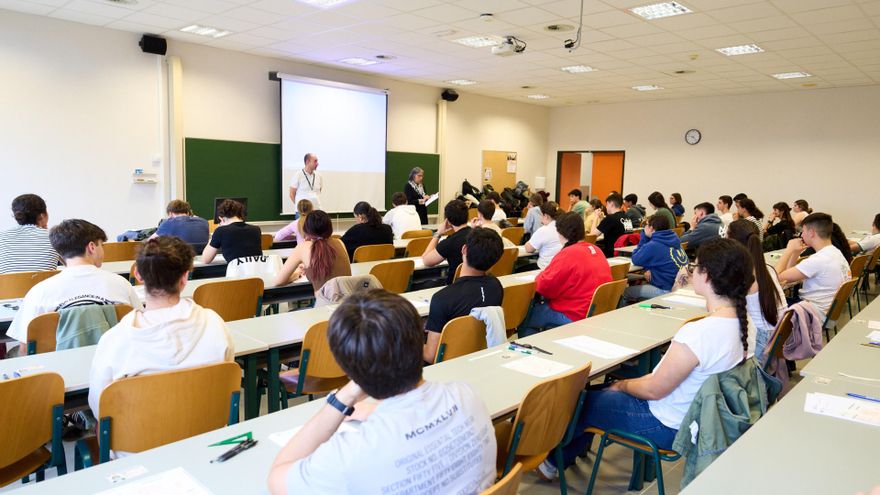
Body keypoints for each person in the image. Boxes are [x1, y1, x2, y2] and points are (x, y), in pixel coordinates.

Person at [538, 238, 754, 480]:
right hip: (695, 419)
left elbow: (654, 389)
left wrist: (622, 385)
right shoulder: (744, 324)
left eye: (695, 267)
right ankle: (566, 454)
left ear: (707, 276)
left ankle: (552, 462)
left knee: (580, 402)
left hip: (666, 424)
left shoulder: (700, 332)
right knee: (597, 395)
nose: (691, 271)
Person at [267, 289, 496, 494]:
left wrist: (344, 396)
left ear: (348, 370)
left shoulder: (348, 459)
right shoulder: (467, 396)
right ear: (420, 339)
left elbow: (276, 478)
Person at [88, 237, 234, 418]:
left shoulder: (115, 340)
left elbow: (99, 407)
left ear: (138, 275)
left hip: (138, 435)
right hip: (207, 430)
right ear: (185, 277)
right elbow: (227, 382)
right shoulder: (215, 324)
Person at [6, 219, 141, 352]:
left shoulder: (39, 292)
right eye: (102, 245)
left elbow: (25, 348)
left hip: (56, 365)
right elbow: (140, 326)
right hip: (113, 360)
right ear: (92, 247)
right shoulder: (121, 284)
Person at [518, 212, 612, 337]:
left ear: (562, 233)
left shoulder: (568, 254)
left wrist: (542, 275)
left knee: (525, 315)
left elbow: (544, 287)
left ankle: (531, 346)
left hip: (575, 314)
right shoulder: (596, 250)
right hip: (597, 312)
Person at [423, 228, 504, 363]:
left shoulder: (442, 298)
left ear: (464, 249)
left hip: (448, 364)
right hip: (479, 357)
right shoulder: (496, 286)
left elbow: (431, 356)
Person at [726, 220, 787, 360]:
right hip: (776, 336)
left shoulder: (743, 274)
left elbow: (721, 303)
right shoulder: (766, 268)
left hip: (760, 342)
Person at [776, 213, 851, 316]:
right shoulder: (835, 253)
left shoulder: (818, 260)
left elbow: (777, 278)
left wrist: (788, 250)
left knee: (765, 304)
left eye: (803, 231)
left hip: (810, 314)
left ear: (811, 233)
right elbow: (789, 277)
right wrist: (795, 252)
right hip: (825, 313)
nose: (801, 235)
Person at [275, 210, 350, 292]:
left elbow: (279, 281)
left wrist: (297, 273)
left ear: (306, 230)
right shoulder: (340, 242)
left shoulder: (303, 247)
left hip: (325, 300)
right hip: (350, 298)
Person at [624, 214, 688, 303]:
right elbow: (661, 259)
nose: (645, 227)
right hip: (681, 286)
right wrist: (649, 269)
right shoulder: (674, 240)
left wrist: (644, 237)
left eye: (646, 225)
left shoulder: (654, 245)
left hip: (666, 290)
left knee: (625, 292)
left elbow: (635, 259)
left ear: (651, 228)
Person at [0, 193, 61, 274]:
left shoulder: (2, 237)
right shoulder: (55, 236)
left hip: (7, 282)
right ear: (43, 215)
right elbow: (73, 266)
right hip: (43, 282)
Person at [422, 200, 471, 284]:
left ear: (448, 221)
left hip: (454, 286)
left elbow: (426, 261)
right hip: (475, 284)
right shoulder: (478, 235)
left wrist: (438, 233)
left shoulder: (449, 242)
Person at [201, 199, 262, 263]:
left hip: (236, 269)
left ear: (221, 219)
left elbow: (205, 260)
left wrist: (214, 235)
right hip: (257, 269)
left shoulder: (221, 231)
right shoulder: (256, 229)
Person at [590, 193, 632, 258]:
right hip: (625, 254)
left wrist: (596, 217)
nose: (606, 207)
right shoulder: (627, 218)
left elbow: (592, 235)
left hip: (611, 254)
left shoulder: (610, 218)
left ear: (611, 204)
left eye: (607, 204)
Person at [524, 202, 563, 269]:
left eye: (541, 215)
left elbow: (529, 249)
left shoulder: (543, 230)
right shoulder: (564, 227)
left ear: (546, 216)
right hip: (560, 267)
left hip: (545, 267)